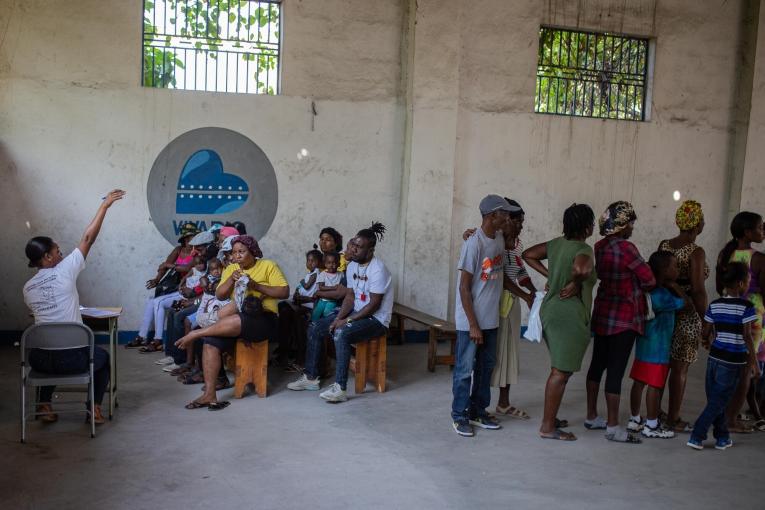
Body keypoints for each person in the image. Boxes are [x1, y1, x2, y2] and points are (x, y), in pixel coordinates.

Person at [22, 189, 125, 425]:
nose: (62, 252)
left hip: (40, 361)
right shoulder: (65, 271)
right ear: (47, 257)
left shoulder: (27, 288)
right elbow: (88, 238)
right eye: (57, 250)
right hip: (73, 359)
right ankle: (94, 408)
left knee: (49, 348)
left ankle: (45, 406)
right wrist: (104, 206)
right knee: (102, 357)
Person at [175, 235, 289, 410]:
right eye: (235, 253)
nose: (237, 256)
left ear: (253, 252)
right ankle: (210, 395)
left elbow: (284, 292)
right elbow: (220, 295)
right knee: (210, 343)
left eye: (241, 252)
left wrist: (256, 286)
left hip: (264, 320)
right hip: (236, 320)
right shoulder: (232, 269)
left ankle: (196, 332)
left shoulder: (268, 266)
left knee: (236, 319)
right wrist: (230, 280)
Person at [287, 222, 393, 404]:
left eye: (359, 247)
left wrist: (347, 320)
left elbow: (374, 305)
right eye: (353, 244)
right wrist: (338, 317)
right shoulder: (352, 266)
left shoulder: (378, 270)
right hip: (357, 311)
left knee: (341, 332)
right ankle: (311, 378)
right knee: (315, 327)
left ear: (370, 251)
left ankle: (340, 388)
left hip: (376, 320)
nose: (353, 249)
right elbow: (350, 296)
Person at [448, 195, 523, 437]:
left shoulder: (499, 238)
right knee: (463, 370)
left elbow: (511, 247)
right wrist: (473, 325)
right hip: (471, 321)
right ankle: (459, 416)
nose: (509, 218)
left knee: (485, 367)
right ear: (492, 216)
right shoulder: (474, 244)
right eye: (506, 214)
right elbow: (463, 288)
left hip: (491, 319)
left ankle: (478, 411)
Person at [523, 203, 596, 441]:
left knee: (560, 369)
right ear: (587, 227)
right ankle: (547, 427)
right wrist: (576, 281)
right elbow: (582, 268)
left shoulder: (556, 244)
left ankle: (550, 418)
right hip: (568, 315)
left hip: (551, 310)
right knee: (560, 373)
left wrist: (552, 276)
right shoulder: (583, 248)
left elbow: (528, 255)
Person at [586, 201, 655, 443]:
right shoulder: (628, 249)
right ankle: (614, 426)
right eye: (631, 223)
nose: (633, 228)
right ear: (622, 226)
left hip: (604, 312)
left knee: (597, 365)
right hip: (625, 318)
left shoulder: (599, 246)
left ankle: (592, 414)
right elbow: (649, 280)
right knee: (616, 370)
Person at [687, 262, 762, 450]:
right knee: (719, 401)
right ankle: (697, 434)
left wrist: (707, 341)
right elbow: (746, 336)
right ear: (740, 284)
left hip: (714, 359)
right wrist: (753, 362)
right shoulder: (746, 307)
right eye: (748, 280)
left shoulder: (715, 304)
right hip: (732, 362)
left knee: (716, 398)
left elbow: (705, 333)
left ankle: (722, 438)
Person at [658, 200, 709, 432]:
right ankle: (674, 418)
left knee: (662, 364)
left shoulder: (665, 245)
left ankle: (654, 412)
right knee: (680, 368)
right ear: (696, 224)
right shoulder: (696, 251)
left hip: (666, 309)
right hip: (687, 313)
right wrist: (706, 319)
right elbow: (698, 289)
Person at [627, 251, 687, 439]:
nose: (678, 270)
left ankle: (635, 419)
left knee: (639, 383)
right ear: (664, 270)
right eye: (675, 266)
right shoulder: (662, 294)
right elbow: (686, 304)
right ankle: (652, 425)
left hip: (643, 347)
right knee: (654, 385)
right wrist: (675, 286)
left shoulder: (647, 290)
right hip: (659, 349)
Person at [716, 211, 765, 432]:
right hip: (753, 318)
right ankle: (731, 419)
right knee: (748, 369)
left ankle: (728, 412)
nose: (762, 231)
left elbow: (720, 287)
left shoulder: (725, 254)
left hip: (728, 312)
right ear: (748, 232)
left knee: (731, 365)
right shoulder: (758, 258)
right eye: (760, 228)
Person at [491, 199, 535, 419]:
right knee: (493, 354)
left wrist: (533, 291)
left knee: (510, 354)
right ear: (506, 220)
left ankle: (504, 403)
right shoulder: (495, 242)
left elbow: (518, 271)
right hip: (495, 303)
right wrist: (526, 295)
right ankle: (479, 403)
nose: (521, 226)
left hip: (511, 305)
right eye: (518, 221)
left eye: (521, 221)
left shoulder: (516, 244)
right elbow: (501, 278)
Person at [127, 221, 200, 350]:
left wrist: (168, 266)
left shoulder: (197, 252)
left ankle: (158, 340)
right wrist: (157, 279)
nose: (190, 240)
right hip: (175, 287)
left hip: (188, 289)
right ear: (183, 239)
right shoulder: (178, 250)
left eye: (192, 237)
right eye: (188, 237)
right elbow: (164, 266)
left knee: (158, 303)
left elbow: (187, 268)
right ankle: (142, 337)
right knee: (151, 302)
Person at [312, 252, 345, 321]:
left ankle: (325, 327)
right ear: (325, 264)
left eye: (334, 263)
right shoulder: (323, 274)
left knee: (327, 313)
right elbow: (321, 287)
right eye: (329, 263)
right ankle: (313, 325)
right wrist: (333, 287)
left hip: (333, 301)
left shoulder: (341, 274)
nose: (331, 265)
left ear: (338, 264)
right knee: (316, 314)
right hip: (322, 300)